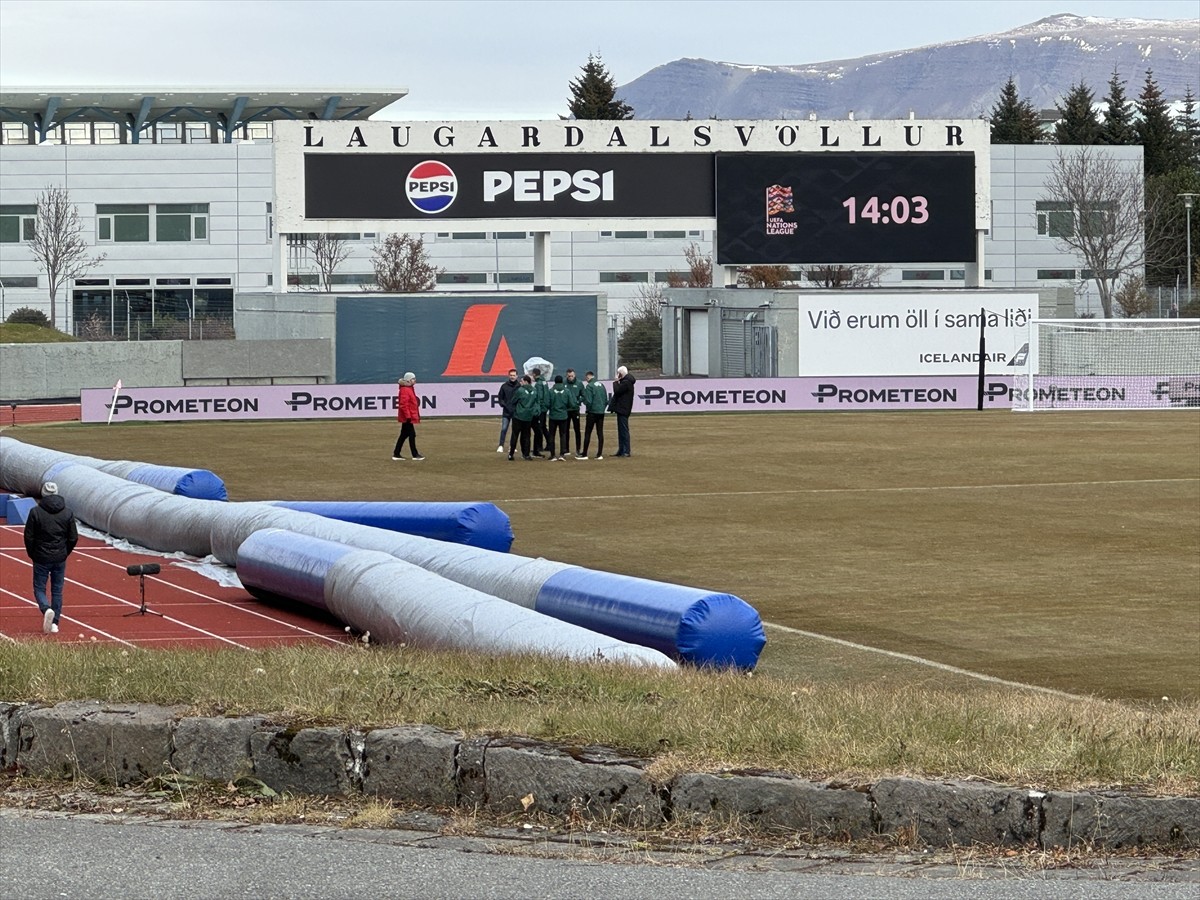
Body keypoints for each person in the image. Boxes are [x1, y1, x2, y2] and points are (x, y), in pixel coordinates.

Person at [24, 481, 78, 635]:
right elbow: (73, 537)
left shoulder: (35, 512)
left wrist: (32, 554)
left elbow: (29, 536)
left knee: (39, 588)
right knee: (57, 590)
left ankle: (46, 608)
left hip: (41, 557)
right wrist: (65, 551)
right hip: (60, 556)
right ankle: (55, 623)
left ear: (43, 494)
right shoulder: (67, 513)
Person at [392, 372, 425, 461]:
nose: (415, 380)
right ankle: (414, 454)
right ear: (409, 380)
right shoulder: (405, 390)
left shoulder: (409, 389)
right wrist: (408, 416)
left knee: (403, 435)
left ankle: (396, 453)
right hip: (407, 417)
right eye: (413, 379)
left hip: (408, 416)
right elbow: (403, 404)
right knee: (411, 434)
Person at [507, 374, 538, 460]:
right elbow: (536, 402)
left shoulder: (520, 390)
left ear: (525, 381)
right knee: (526, 436)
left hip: (518, 416)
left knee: (515, 435)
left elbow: (513, 400)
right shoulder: (534, 391)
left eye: (522, 381)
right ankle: (526, 454)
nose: (520, 382)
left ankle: (511, 454)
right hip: (528, 416)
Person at [579, 370, 608, 460]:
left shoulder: (589, 386)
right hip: (601, 412)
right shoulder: (601, 385)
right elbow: (606, 400)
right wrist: (602, 408)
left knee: (588, 432)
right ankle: (599, 454)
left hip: (592, 412)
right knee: (600, 433)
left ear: (588, 377)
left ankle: (585, 453)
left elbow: (589, 401)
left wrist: (582, 401)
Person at [608, 365, 637, 457]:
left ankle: (626, 450)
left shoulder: (626, 383)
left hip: (623, 409)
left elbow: (617, 391)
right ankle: (621, 449)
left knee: (624, 430)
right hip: (622, 409)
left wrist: (616, 382)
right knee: (621, 431)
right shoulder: (627, 382)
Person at [494, 368, 519, 453]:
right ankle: (501, 445)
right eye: (511, 375)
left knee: (514, 430)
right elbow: (500, 398)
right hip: (506, 412)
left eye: (514, 375)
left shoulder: (519, 386)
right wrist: (504, 405)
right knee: (504, 429)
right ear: (509, 376)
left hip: (516, 412)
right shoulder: (504, 386)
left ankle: (512, 446)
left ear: (517, 376)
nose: (512, 377)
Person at [546, 374, 571, 460]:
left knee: (552, 435)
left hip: (553, 416)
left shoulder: (551, 391)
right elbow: (571, 403)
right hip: (563, 416)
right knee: (563, 435)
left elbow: (547, 403)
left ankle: (552, 455)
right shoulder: (567, 391)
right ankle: (562, 454)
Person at [530, 366, 551, 458]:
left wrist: (538, 407)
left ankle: (539, 447)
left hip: (541, 408)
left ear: (534, 374)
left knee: (539, 427)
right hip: (545, 407)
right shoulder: (544, 382)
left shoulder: (538, 384)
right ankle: (548, 444)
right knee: (543, 426)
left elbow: (539, 396)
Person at [563, 368, 584, 457]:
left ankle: (578, 449)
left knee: (577, 430)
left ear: (574, 375)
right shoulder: (564, 383)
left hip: (575, 410)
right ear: (566, 376)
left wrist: (578, 401)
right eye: (569, 376)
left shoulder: (579, 383)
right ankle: (566, 449)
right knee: (565, 430)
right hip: (566, 410)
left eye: (572, 376)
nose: (570, 378)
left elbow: (583, 395)